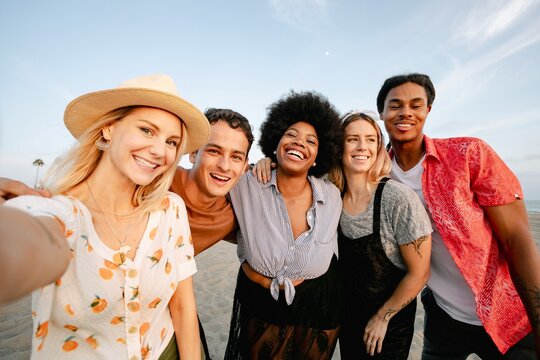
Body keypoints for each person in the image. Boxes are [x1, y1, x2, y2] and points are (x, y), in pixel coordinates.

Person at [3, 74, 209, 359]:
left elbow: (184, 306)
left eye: (172, 142)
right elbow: (18, 250)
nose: (161, 151)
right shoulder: (62, 213)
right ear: (109, 129)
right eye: (147, 130)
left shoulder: (170, 210)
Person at [377, 73, 540, 359]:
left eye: (416, 105)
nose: (405, 112)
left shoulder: (468, 154)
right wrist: (271, 163)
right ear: (382, 113)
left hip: (506, 317)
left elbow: (517, 238)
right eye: (395, 105)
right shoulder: (377, 174)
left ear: (428, 110)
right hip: (443, 318)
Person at [224, 91, 343, 359]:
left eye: (311, 141)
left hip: (320, 306)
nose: (299, 143)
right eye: (291, 135)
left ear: (318, 156)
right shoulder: (246, 184)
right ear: (275, 141)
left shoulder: (332, 195)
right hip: (262, 305)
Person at [327, 110, 432, 359]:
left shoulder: (397, 198)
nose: (362, 146)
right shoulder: (330, 195)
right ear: (338, 146)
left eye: (370, 139)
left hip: (389, 325)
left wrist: (382, 318)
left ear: (378, 147)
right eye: (352, 139)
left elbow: (420, 273)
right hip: (348, 318)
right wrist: (268, 162)